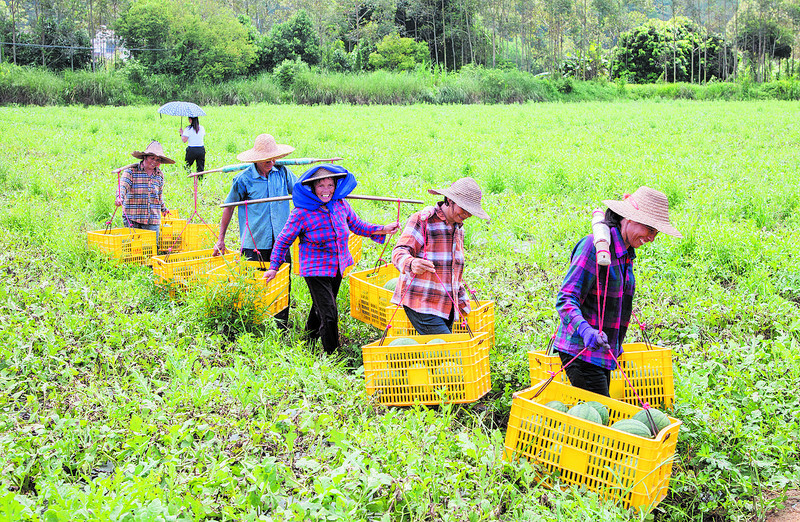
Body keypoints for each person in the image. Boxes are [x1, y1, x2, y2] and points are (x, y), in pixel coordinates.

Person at [554, 186, 682, 397]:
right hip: (581, 352)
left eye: (656, 233)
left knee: (598, 414)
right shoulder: (593, 247)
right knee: (599, 418)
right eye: (650, 230)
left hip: (602, 353)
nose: (652, 238)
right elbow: (566, 298)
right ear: (630, 218)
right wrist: (586, 331)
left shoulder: (626, 253)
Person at [262, 165, 399, 354]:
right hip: (315, 269)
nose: (326, 190)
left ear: (335, 186)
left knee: (321, 307)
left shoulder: (340, 205)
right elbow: (283, 240)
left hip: (336, 267)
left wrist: (383, 228)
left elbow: (358, 226)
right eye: (320, 186)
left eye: (330, 185)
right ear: (312, 188)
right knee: (329, 314)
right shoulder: (301, 213)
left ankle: (308, 341)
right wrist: (274, 267)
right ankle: (333, 355)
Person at [213, 134, 296, 328]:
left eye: (273, 157)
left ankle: (281, 325)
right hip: (255, 242)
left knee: (282, 283)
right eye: (267, 159)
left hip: (282, 241)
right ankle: (255, 324)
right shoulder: (244, 179)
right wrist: (221, 238)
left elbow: (301, 193)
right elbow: (229, 207)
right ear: (256, 159)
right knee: (255, 284)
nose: (271, 161)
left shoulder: (283, 174)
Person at [391, 177, 490, 335]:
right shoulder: (423, 220)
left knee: (438, 356)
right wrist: (411, 263)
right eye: (463, 208)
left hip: (446, 305)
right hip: (422, 302)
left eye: (470, 211)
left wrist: (461, 300)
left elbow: (453, 270)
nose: (467, 214)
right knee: (448, 353)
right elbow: (399, 252)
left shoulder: (459, 228)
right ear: (450, 200)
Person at [115, 140, 173, 243]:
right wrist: (119, 197)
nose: (154, 161)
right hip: (133, 216)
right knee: (133, 248)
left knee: (151, 247)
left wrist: (164, 208)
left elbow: (158, 196)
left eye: (157, 159)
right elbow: (123, 186)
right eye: (152, 158)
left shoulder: (159, 175)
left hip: (152, 218)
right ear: (145, 157)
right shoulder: (131, 171)